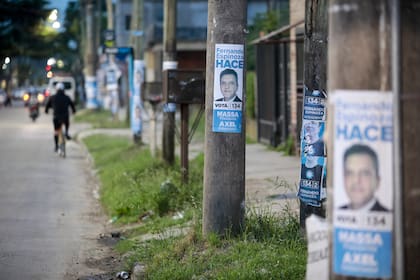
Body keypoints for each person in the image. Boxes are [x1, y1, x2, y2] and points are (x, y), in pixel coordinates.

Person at [340, 144, 388, 211]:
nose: (356, 180)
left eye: (365, 173)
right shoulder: (337, 212)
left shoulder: (387, 216)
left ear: (377, 181)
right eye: (350, 173)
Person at [45, 82, 76, 152]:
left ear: (56, 89)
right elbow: (72, 105)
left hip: (56, 117)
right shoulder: (67, 97)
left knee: (56, 131)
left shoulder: (52, 97)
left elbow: (47, 106)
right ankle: (67, 133)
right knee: (67, 123)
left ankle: (56, 146)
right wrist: (74, 111)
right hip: (65, 117)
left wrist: (46, 111)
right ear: (63, 89)